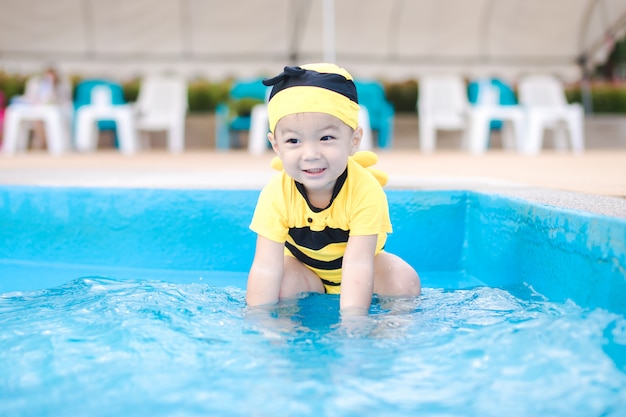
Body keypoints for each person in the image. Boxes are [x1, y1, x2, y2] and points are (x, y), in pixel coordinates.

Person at [246, 63, 420, 315]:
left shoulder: (365, 190)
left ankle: (389, 333)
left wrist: (351, 327)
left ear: (354, 141)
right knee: (279, 284)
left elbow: (359, 263)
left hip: (365, 271)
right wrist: (260, 323)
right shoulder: (276, 195)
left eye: (326, 138)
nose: (311, 154)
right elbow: (265, 267)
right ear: (276, 145)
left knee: (404, 281)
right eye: (293, 141)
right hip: (306, 273)